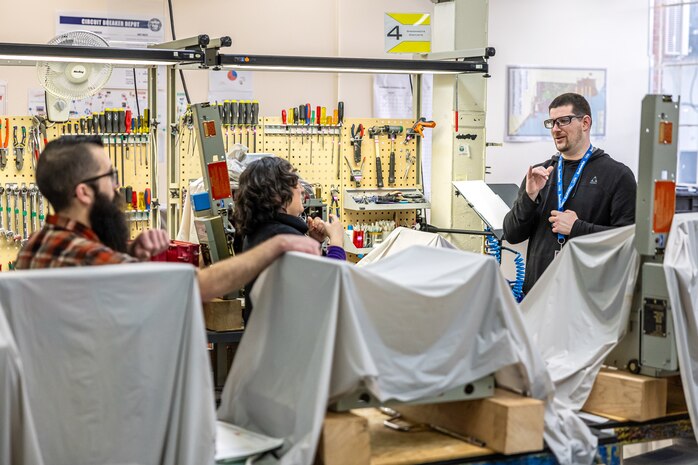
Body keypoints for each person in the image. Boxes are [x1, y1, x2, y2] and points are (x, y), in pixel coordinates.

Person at [15, 136, 321, 301]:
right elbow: (193, 287)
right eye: (110, 176)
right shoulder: (84, 254)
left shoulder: (36, 245)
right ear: (83, 192)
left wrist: (129, 255)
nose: (117, 186)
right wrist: (275, 246)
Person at [503, 93, 636, 296]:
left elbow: (627, 243)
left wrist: (577, 228)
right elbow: (512, 235)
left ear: (585, 122)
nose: (556, 129)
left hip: (587, 298)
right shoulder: (541, 174)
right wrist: (528, 198)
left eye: (564, 121)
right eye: (552, 122)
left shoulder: (617, 175)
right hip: (539, 294)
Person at [234, 156, 346, 323]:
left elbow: (300, 282)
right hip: (291, 344)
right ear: (276, 195)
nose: (301, 189)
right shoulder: (284, 238)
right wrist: (337, 241)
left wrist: (313, 243)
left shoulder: (260, 232)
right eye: (295, 183)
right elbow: (331, 289)